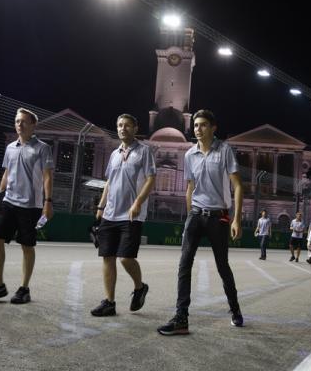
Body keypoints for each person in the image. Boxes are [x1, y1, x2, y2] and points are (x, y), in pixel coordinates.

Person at [158, 109, 244, 335]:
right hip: (196, 215)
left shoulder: (225, 150)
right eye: (195, 125)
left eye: (203, 125)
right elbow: (190, 187)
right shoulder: (189, 155)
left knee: (222, 266)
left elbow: (237, 186)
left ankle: (235, 310)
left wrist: (236, 219)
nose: (198, 129)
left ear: (213, 128)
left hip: (219, 217)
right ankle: (181, 318)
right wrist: (189, 216)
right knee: (184, 265)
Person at [0, 108, 54, 304]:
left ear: (33, 125)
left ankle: (24, 288)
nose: (19, 124)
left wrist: (48, 202)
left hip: (30, 205)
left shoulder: (42, 148)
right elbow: (6, 174)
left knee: (27, 246)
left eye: (24, 121)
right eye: (17, 121)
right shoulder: (10, 147)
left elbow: (47, 177)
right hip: (8, 202)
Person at [90, 114, 156, 316]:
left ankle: (139, 287)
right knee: (107, 257)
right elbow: (109, 182)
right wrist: (101, 207)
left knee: (125, 258)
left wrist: (138, 202)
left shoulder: (144, 151)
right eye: (119, 125)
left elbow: (150, 179)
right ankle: (109, 302)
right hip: (110, 213)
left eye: (127, 125)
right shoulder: (114, 154)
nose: (122, 128)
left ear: (135, 128)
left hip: (131, 215)